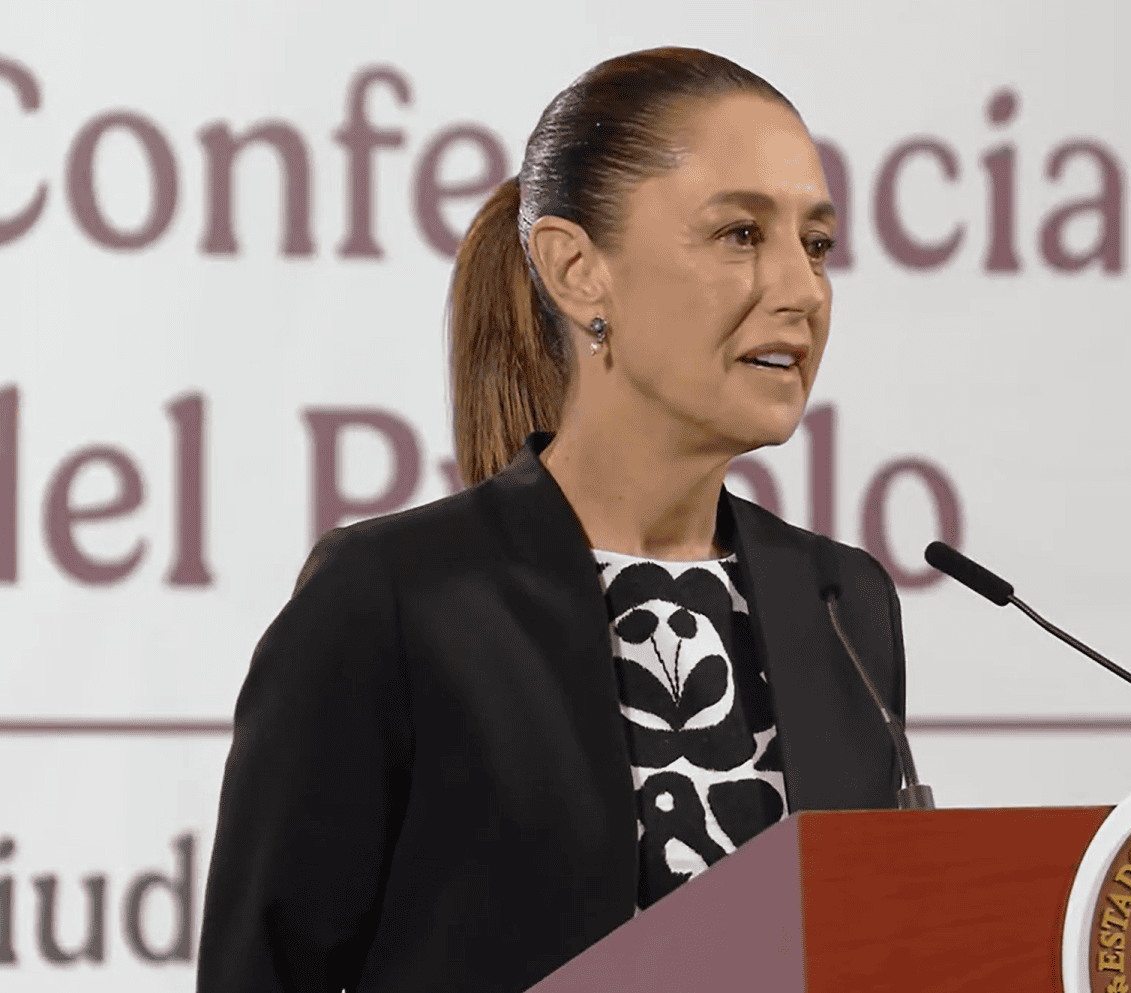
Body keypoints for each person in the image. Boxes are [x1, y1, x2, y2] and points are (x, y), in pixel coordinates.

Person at [196, 45, 907, 993]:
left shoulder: (844, 603)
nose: (802, 290)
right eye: (741, 234)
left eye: (815, 245)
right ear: (577, 271)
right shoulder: (392, 600)